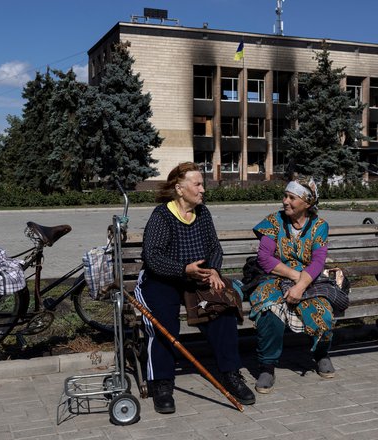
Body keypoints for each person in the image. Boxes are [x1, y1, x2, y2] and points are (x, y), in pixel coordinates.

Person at [134, 162, 255, 414]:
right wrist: (182, 269)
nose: (203, 190)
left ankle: (231, 374)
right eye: (197, 184)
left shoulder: (202, 213)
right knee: (164, 322)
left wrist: (213, 270)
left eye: (203, 184)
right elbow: (152, 256)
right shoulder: (162, 216)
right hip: (162, 279)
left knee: (223, 311)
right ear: (180, 188)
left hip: (196, 277)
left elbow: (214, 248)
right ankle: (162, 383)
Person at [249, 175, 335, 394]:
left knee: (323, 312)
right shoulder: (273, 221)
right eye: (285, 196)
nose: (285, 201)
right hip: (274, 278)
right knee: (269, 310)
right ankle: (267, 366)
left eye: (291, 197)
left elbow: (318, 261)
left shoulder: (319, 226)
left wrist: (300, 285)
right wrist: (296, 277)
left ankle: (321, 353)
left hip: (308, 280)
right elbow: (265, 259)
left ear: (307, 203)